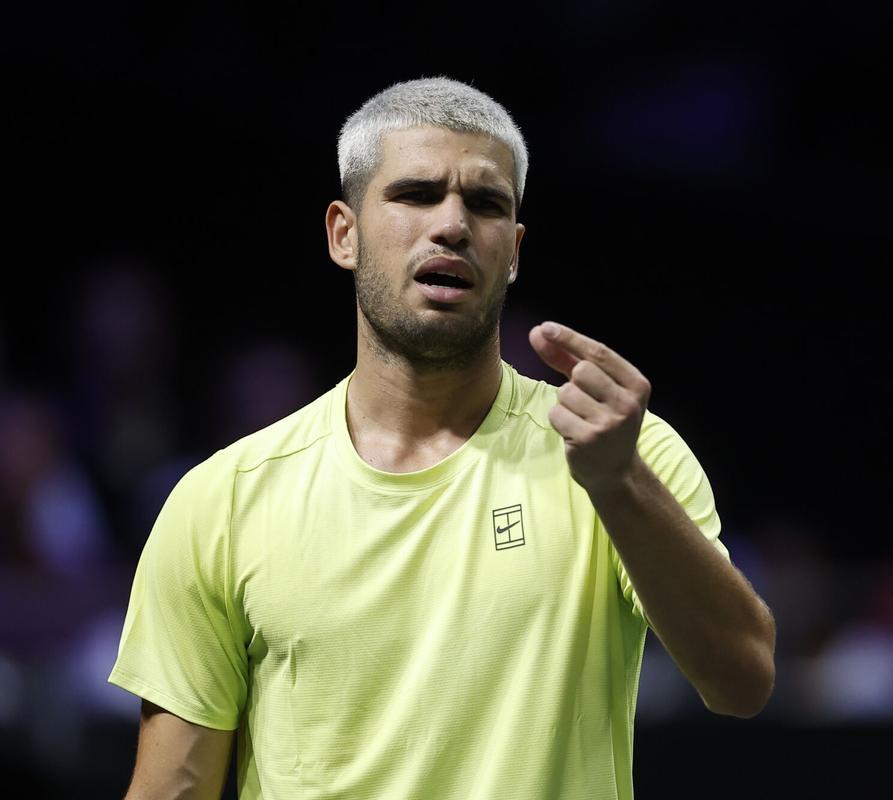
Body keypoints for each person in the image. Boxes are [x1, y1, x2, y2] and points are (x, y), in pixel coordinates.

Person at [109, 77, 776, 799]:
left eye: (486, 204)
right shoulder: (223, 499)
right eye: (417, 194)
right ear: (344, 234)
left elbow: (741, 682)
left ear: (513, 250)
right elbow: (173, 787)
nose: (453, 224)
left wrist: (621, 483)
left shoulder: (621, 456)